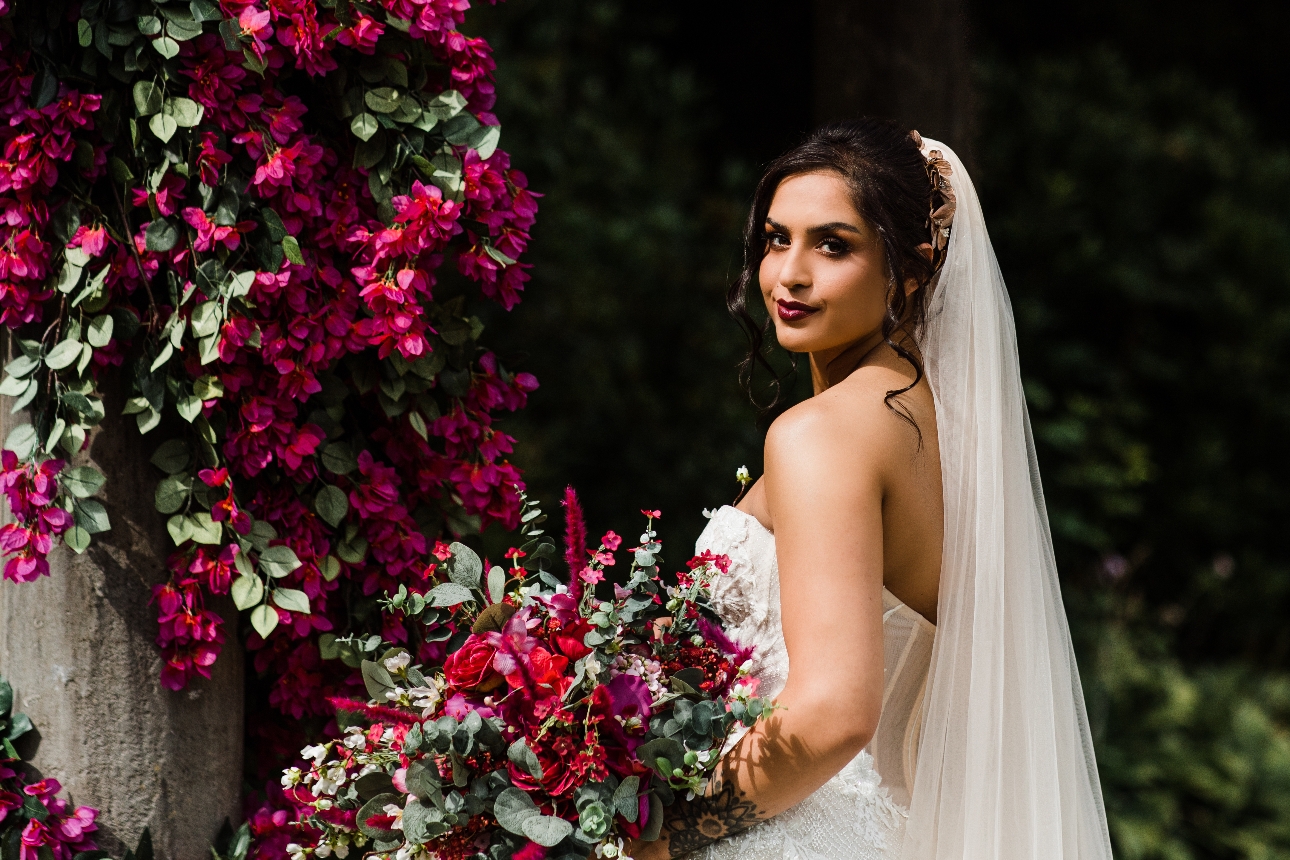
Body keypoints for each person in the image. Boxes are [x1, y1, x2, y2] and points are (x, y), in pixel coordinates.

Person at [627, 119, 1114, 860]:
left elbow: (833, 712)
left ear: (912, 271)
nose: (789, 274)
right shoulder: (948, 435)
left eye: (833, 245)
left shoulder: (822, 434)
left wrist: (660, 838)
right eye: (775, 239)